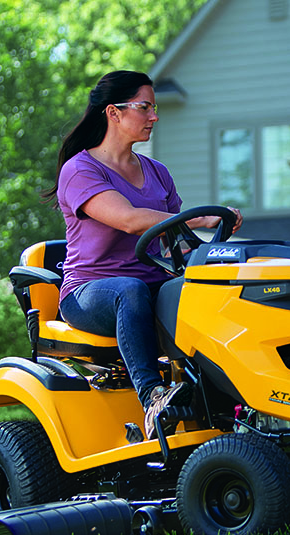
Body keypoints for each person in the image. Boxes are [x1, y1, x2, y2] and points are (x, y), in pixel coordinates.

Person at [44, 70, 242, 441]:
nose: (154, 116)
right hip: (91, 293)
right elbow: (130, 220)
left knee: (212, 290)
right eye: (145, 107)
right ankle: (153, 399)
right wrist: (201, 216)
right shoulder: (80, 170)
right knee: (130, 290)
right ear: (113, 113)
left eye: (154, 108)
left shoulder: (157, 173)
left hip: (152, 286)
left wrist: (218, 244)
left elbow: (177, 243)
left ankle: (233, 402)